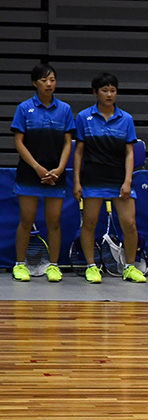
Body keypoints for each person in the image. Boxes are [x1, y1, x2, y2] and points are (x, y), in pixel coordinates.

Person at [73, 72, 144, 284]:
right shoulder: (84, 117)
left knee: (129, 224)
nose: (109, 94)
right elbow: (79, 152)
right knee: (89, 223)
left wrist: (128, 180)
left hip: (118, 178)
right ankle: (91, 266)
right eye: (105, 90)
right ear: (96, 93)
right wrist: (77, 181)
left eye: (113, 90)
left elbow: (129, 152)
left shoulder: (126, 119)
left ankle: (130, 267)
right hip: (93, 177)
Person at [11, 63, 73, 283]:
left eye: (53, 79)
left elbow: (68, 143)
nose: (49, 84)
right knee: (26, 220)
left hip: (56, 173)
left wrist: (60, 168)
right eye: (45, 80)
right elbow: (18, 142)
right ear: (34, 83)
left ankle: (53, 266)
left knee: (54, 221)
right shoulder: (24, 108)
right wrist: (37, 167)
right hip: (30, 173)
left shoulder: (65, 109)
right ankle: (19, 265)